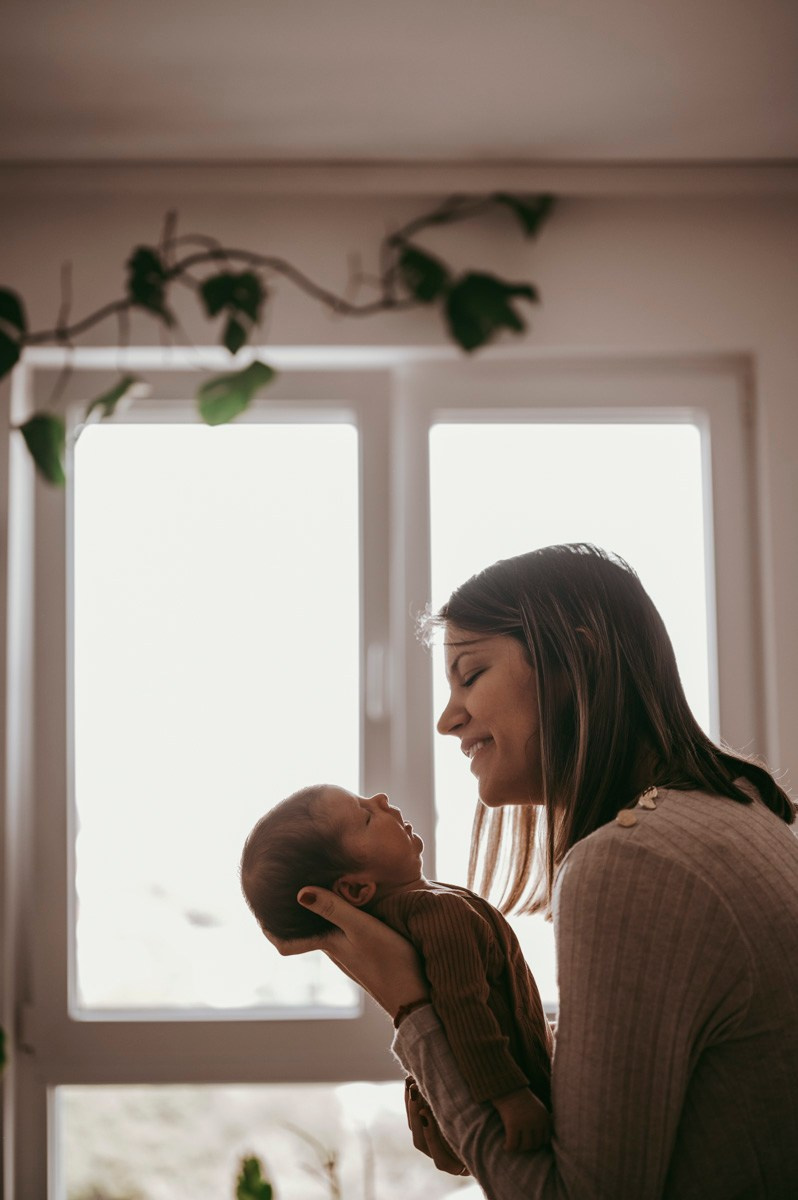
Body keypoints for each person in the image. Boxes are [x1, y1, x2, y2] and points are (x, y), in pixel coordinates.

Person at [263, 544, 798, 1200]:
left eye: (471, 674)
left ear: (575, 662)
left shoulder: (632, 865)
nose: (447, 718)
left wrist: (413, 1008)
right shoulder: (735, 811)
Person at [240, 782, 553, 1152]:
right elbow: (465, 1008)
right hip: (521, 1096)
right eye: (365, 816)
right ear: (356, 890)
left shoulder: (412, 912)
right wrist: (510, 1096)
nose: (381, 800)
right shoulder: (437, 911)